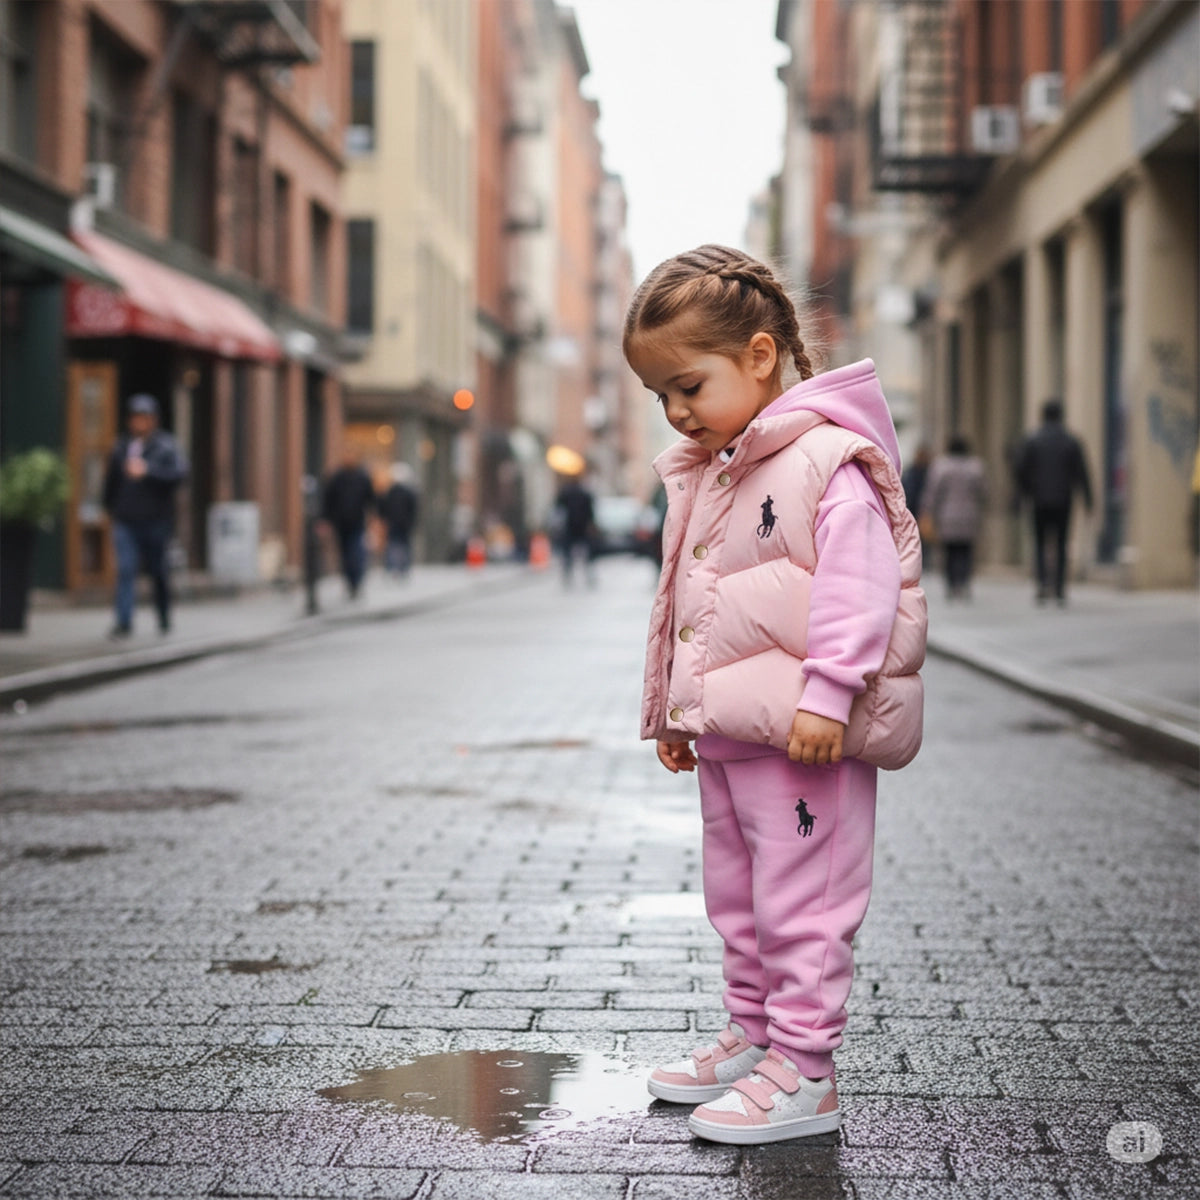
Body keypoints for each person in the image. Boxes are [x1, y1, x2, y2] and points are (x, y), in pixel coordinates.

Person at [623, 245, 926, 1145]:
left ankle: (808, 1071)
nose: (676, 412)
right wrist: (680, 713)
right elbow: (696, 600)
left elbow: (860, 586)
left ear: (760, 356)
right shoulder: (721, 465)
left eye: (687, 386)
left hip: (806, 737)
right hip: (733, 733)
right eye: (661, 398)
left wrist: (829, 694)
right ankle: (756, 1040)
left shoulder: (827, 461)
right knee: (739, 896)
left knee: (805, 902)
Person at [102, 393, 189, 638]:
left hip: (155, 521)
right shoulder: (121, 447)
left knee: (157, 570)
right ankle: (124, 621)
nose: (139, 423)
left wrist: (148, 471)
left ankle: (163, 616)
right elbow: (111, 483)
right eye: (136, 418)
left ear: (153, 420)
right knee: (126, 569)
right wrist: (109, 508)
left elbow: (179, 475)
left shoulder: (166, 446)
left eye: (145, 418)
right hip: (126, 519)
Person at [1014, 399, 1092, 605]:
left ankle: (1042, 584)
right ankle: (1059, 588)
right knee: (1061, 543)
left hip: (1039, 500)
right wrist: (1088, 499)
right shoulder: (1071, 441)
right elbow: (1082, 472)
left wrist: (1022, 494)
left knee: (1040, 543)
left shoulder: (1032, 440)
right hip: (1063, 499)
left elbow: (1021, 470)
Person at [921, 435, 987, 600]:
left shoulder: (941, 466)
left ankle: (952, 584)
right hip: (969, 515)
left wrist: (928, 510)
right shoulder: (976, 467)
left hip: (947, 515)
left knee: (949, 551)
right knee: (966, 550)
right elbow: (984, 492)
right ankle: (964, 582)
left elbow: (932, 492)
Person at [321, 447, 375, 598]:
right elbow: (328, 500)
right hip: (341, 524)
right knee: (345, 555)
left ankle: (357, 581)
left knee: (356, 553)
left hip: (357, 522)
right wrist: (326, 520)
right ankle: (349, 582)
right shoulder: (337, 478)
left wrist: (372, 517)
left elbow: (371, 499)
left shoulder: (363, 477)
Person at [377, 462, 419, 578]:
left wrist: (384, 518)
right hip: (402, 524)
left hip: (395, 523)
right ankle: (401, 568)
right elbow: (413, 509)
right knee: (402, 545)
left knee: (394, 545)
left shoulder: (391, 492)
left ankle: (393, 567)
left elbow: (383, 507)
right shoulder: (407, 492)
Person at [554, 475, 596, 587]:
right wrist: (591, 525)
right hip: (580, 526)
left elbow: (558, 509)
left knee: (569, 554)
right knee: (587, 553)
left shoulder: (566, 493)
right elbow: (591, 512)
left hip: (570, 526)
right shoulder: (584, 493)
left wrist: (559, 525)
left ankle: (568, 576)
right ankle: (588, 576)